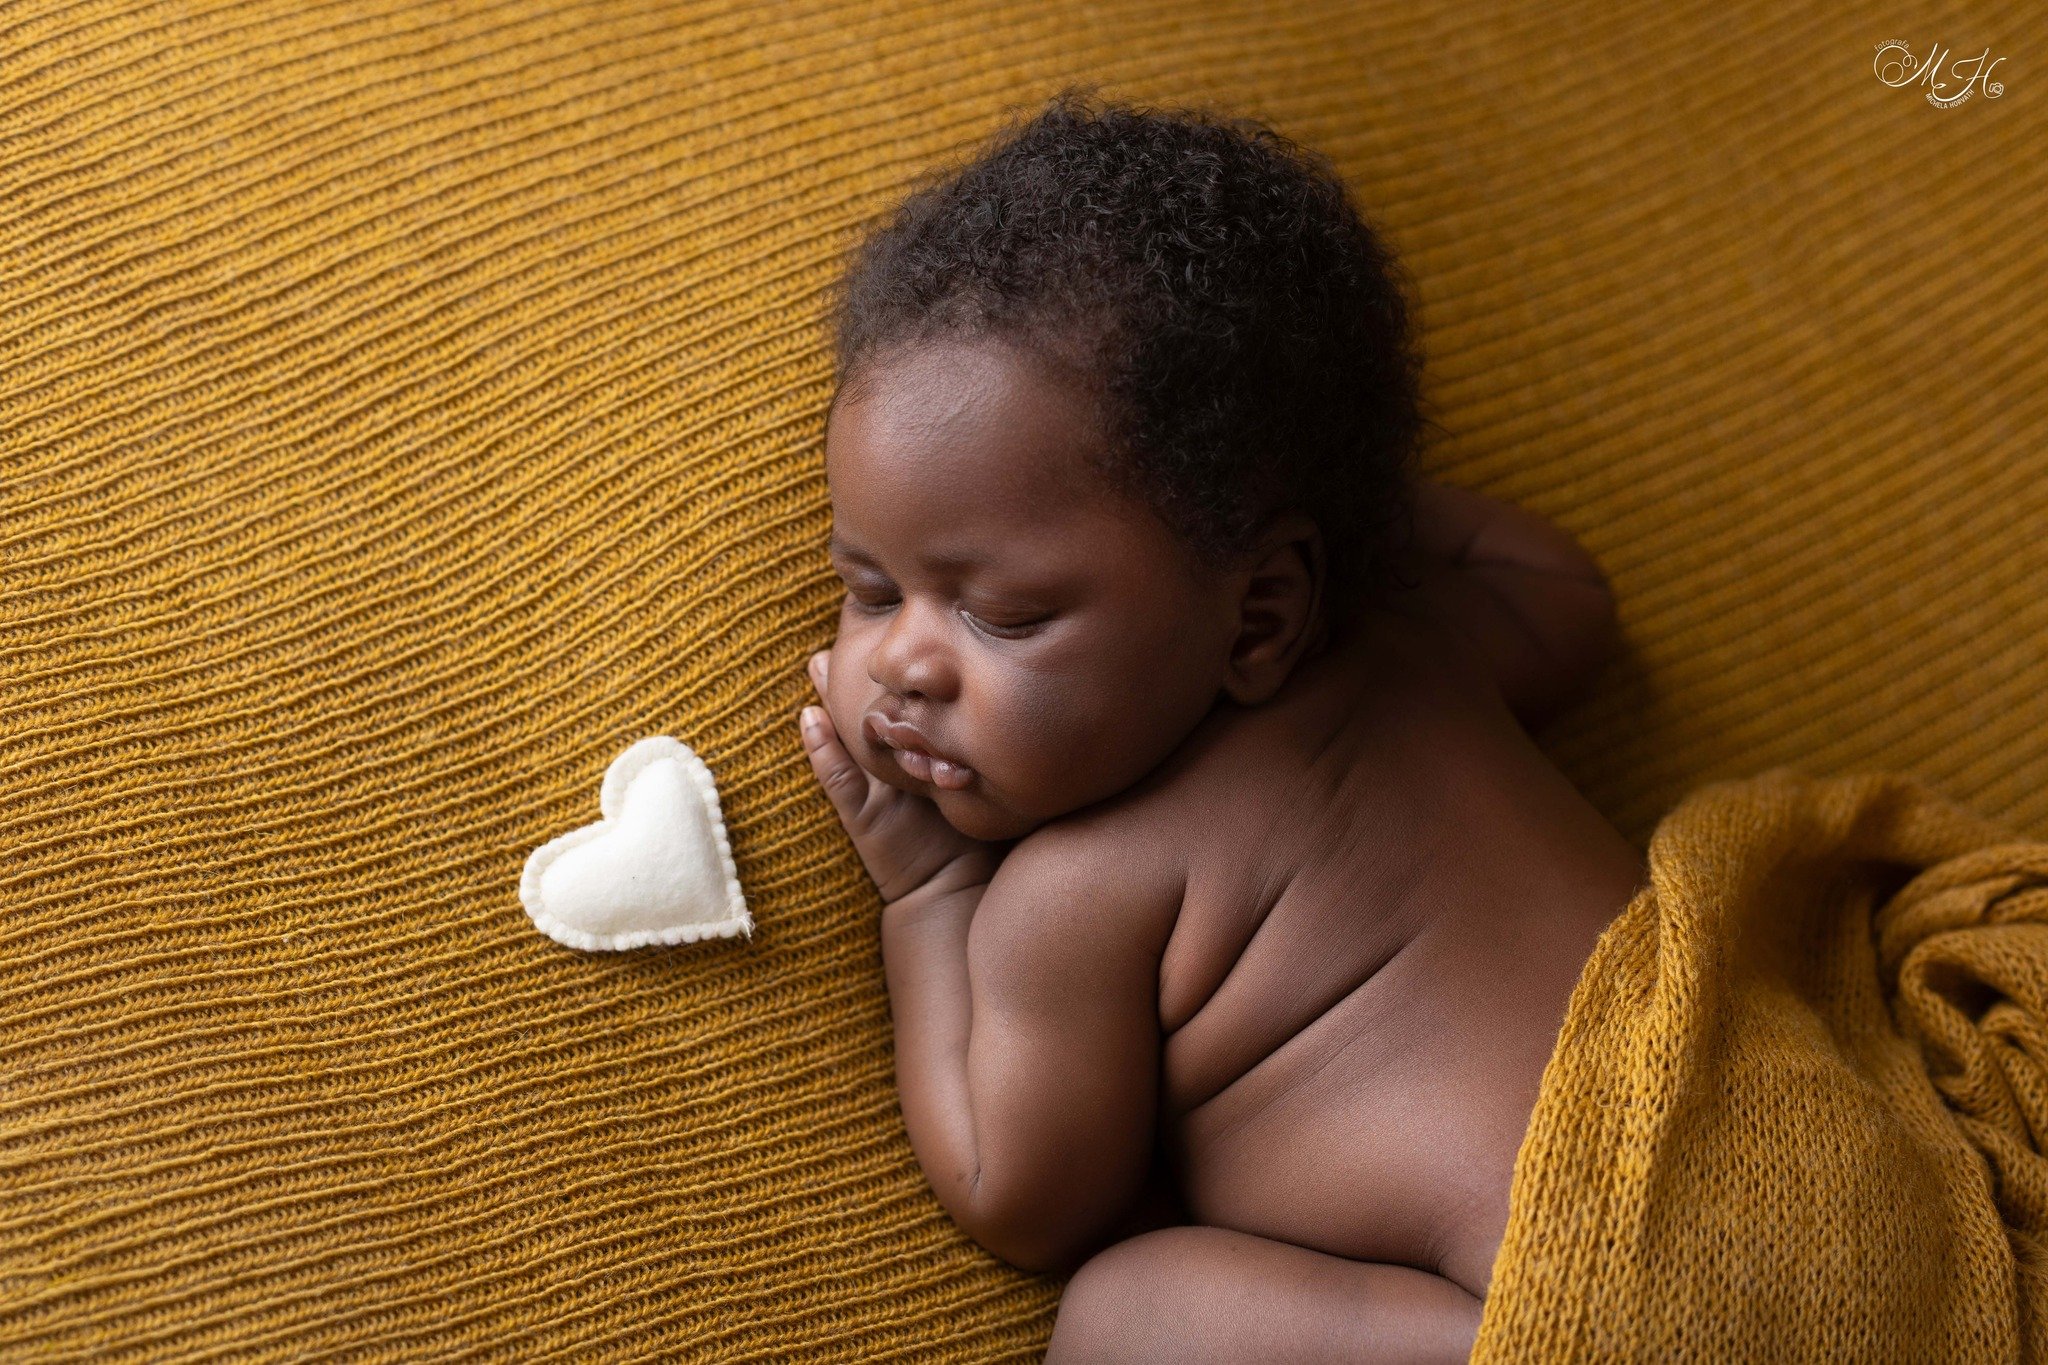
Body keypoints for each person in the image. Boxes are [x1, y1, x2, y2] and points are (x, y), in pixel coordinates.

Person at [796, 86, 1645, 1363]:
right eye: (870, 591)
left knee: (1122, 1310)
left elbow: (1016, 1194)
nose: (902, 663)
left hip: (1594, 1319)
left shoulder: (1076, 895)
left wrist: (926, 897)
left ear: (1260, 617)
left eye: (1006, 616)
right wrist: (1280, 498)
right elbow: (1565, 597)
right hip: (1811, 1170)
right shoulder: (1417, 643)